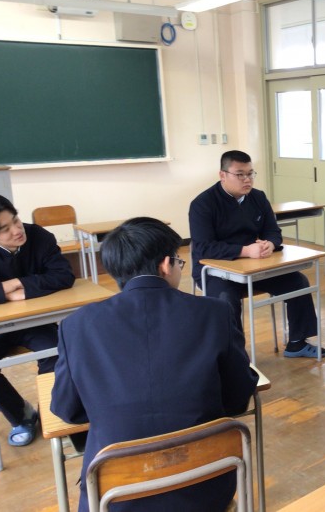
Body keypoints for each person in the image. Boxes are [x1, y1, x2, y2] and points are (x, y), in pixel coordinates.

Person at [51, 217, 258, 512]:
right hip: (205, 487)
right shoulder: (214, 313)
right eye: (179, 261)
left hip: (116, 497)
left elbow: (67, 410)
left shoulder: (76, 326)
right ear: (165, 264)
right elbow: (238, 399)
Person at [189, 150, 325, 359]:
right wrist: (245, 251)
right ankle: (234, 357)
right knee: (226, 299)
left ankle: (297, 343)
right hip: (215, 270)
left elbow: (274, 232)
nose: (247, 180)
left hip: (254, 267)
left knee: (298, 282)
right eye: (240, 174)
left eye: (250, 173)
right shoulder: (203, 204)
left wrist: (270, 244)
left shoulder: (258, 197)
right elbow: (204, 248)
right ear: (222, 175)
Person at [0, 193, 75, 447]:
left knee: (57, 354)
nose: (17, 230)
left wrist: (20, 284)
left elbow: (63, 275)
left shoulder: (39, 236)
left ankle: (52, 412)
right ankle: (21, 415)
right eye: (5, 229)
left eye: (16, 220)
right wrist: (6, 291)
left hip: (34, 322)